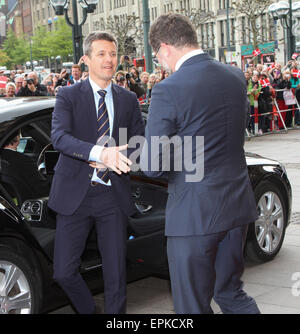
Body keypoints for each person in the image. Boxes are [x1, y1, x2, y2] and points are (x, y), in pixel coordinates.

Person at [141, 13, 260, 314]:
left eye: (158, 57)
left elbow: (153, 165)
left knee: (191, 307)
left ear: (165, 47)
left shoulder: (168, 89)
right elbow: (235, 130)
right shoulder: (235, 76)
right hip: (236, 206)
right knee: (231, 293)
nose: (161, 65)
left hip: (194, 215)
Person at [48, 31, 145, 314]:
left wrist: (117, 156)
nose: (109, 60)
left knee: (115, 276)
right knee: (63, 272)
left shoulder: (128, 99)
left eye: (113, 54)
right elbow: (60, 137)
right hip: (73, 195)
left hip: (112, 196)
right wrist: (99, 153)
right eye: (101, 54)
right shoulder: (67, 95)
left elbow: (139, 144)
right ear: (86, 60)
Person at [1, 131, 50, 201]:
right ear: (17, 138)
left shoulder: (4, 160)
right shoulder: (23, 160)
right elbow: (43, 191)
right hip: (28, 206)